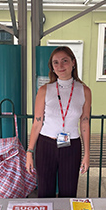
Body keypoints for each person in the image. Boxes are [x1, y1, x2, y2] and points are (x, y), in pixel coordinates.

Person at [25, 46, 92, 198]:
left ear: (73, 63)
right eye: (56, 62)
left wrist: (87, 154)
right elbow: (37, 122)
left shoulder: (84, 91)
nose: (60, 66)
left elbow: (85, 123)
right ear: (52, 67)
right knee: (45, 192)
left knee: (68, 193)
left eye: (64, 61)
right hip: (46, 145)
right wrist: (29, 152)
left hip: (71, 146)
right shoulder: (44, 90)